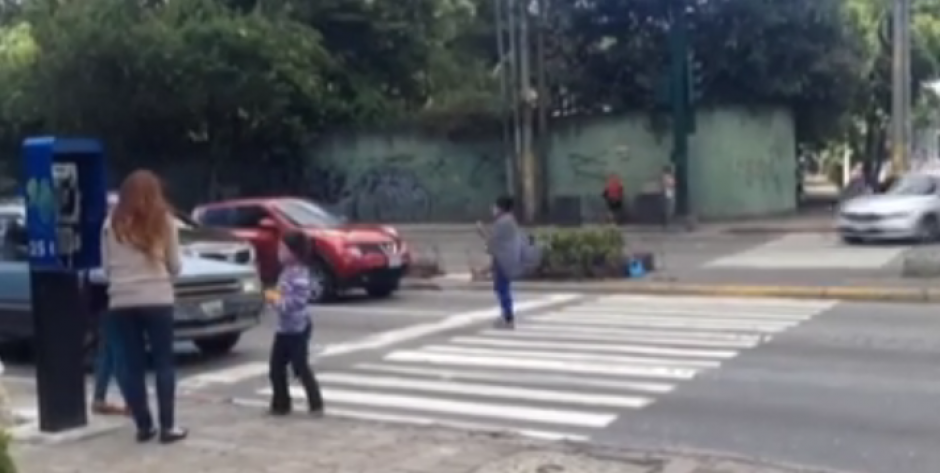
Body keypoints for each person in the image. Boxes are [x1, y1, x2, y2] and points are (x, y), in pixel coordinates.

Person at [101, 169, 187, 444]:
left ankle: (143, 425)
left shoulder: (110, 224)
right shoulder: (164, 222)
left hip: (122, 301)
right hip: (157, 298)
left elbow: (105, 268)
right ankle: (167, 427)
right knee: (163, 362)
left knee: (131, 365)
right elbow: (175, 265)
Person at [266, 231, 324, 416]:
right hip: (284, 329)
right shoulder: (286, 272)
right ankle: (281, 404)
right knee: (276, 368)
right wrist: (273, 296)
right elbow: (282, 294)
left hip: (297, 329)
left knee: (300, 367)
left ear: (294, 252)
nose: (279, 253)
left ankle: (315, 403)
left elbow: (297, 302)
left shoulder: (299, 274)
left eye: (282, 249)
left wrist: (276, 301)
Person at [477, 195, 522, 329]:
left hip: (504, 260)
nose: (493, 209)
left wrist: (481, 231)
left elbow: (492, 242)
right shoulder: (508, 221)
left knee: (503, 289)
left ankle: (508, 318)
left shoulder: (503, 223)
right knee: (501, 288)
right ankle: (506, 315)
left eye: (495, 206)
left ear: (501, 208)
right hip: (506, 258)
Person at [90, 312, 128, 416]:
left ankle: (99, 398)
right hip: (114, 306)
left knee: (108, 351)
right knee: (118, 350)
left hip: (101, 307)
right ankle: (131, 400)